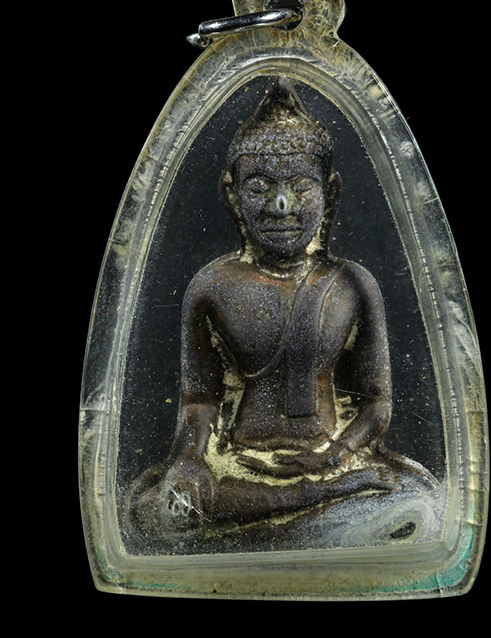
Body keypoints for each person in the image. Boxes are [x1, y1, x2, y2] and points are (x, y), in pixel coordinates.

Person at [126, 80, 436, 535]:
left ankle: (310, 503)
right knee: (163, 508)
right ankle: (313, 508)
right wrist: (189, 458)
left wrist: (334, 456)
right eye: (259, 186)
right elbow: (199, 401)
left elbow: (376, 405)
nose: (281, 204)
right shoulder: (213, 286)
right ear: (232, 193)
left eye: (300, 186)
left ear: (330, 192)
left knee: (421, 500)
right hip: (241, 463)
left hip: (329, 462)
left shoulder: (353, 284)